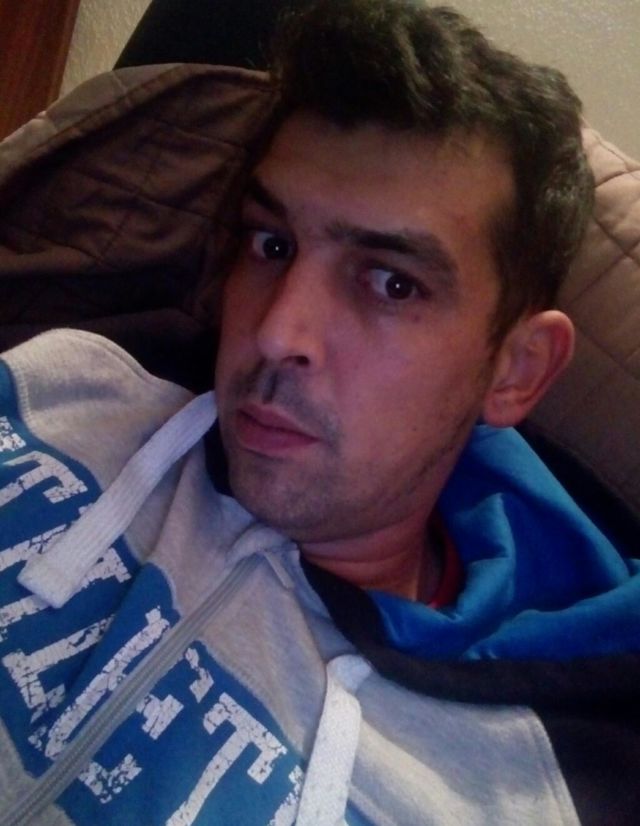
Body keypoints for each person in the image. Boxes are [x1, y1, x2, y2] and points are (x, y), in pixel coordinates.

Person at [0, 1, 638, 824]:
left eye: (393, 283)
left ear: (516, 371)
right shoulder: (64, 391)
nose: (275, 334)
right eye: (271, 244)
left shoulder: (545, 786)